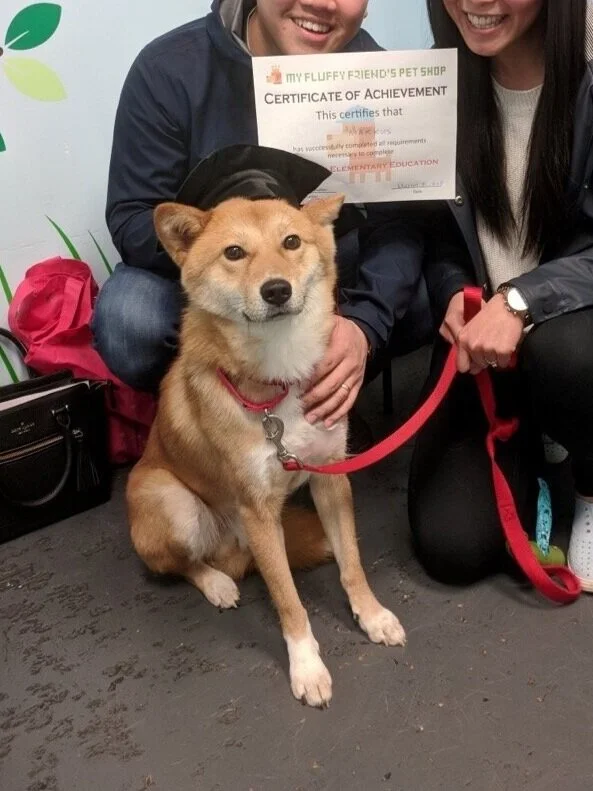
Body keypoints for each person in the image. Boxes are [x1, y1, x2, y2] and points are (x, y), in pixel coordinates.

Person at [92, 0, 432, 434]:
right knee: (129, 319)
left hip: (316, 261)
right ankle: (214, 418)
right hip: (219, 276)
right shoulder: (169, 68)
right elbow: (132, 216)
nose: (322, 4)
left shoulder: (377, 73)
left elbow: (398, 220)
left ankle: (326, 398)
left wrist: (364, 326)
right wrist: (224, 243)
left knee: (420, 296)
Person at [408, 0, 593, 592]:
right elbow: (438, 237)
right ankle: (542, 449)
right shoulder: (430, 85)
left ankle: (589, 481)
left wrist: (520, 300)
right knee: (454, 547)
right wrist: (450, 293)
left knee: (568, 356)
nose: (475, 3)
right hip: (482, 353)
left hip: (573, 338)